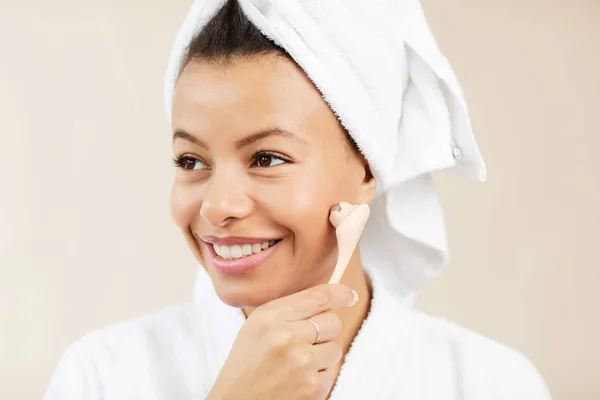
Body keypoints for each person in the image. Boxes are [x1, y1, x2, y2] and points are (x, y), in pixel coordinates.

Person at [44, 0, 551, 399]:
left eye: (266, 158)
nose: (217, 206)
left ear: (368, 169)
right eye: (191, 161)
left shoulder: (491, 384)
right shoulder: (102, 376)